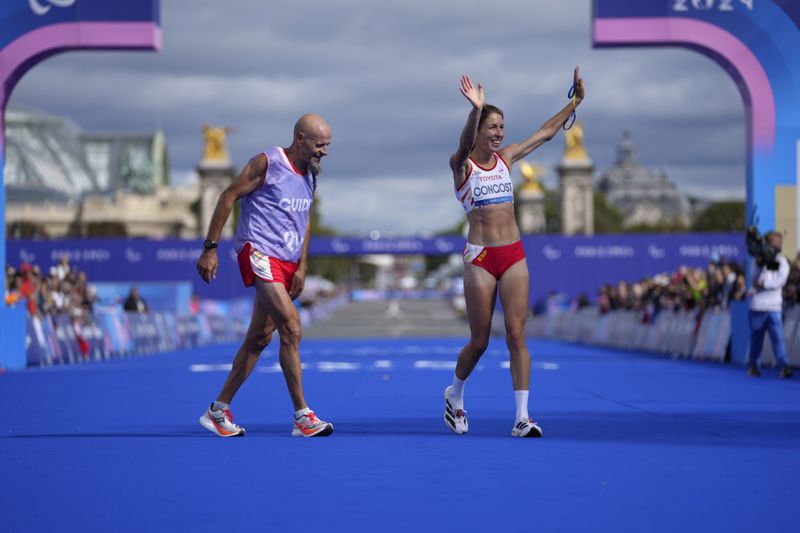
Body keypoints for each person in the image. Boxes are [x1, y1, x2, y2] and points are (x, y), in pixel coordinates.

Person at [444, 69, 584, 438]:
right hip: (480, 257)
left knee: (517, 335)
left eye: (501, 127)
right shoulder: (461, 165)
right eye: (492, 127)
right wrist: (474, 110)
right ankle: (455, 393)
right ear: (478, 131)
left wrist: (573, 103)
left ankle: (523, 416)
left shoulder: (507, 158)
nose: (499, 133)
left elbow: (545, 133)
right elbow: (462, 144)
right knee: (479, 341)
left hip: (513, 254)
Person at [196, 114, 334, 438]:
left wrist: (302, 265)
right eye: (319, 145)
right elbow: (228, 196)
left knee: (259, 338)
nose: (324, 152)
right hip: (258, 252)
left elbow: (305, 219)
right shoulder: (267, 163)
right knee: (292, 326)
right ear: (299, 138)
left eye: (328, 145)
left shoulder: (311, 175)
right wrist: (210, 248)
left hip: (287, 261)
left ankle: (217, 410)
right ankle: (303, 416)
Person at [747, 231, 793, 378]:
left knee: (778, 338)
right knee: (756, 339)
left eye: (778, 241)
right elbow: (753, 278)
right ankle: (754, 366)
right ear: (767, 242)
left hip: (774, 307)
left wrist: (764, 284)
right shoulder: (757, 260)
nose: (777, 244)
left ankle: (783, 366)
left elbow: (780, 280)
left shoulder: (782, 261)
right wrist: (761, 264)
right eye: (773, 241)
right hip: (757, 306)